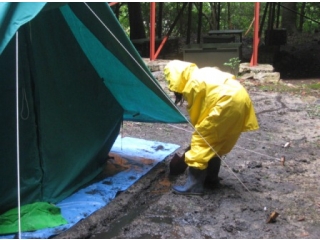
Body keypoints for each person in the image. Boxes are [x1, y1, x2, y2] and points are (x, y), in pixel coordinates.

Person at [164, 60, 259, 195]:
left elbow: (198, 112)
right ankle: (211, 179)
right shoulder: (203, 72)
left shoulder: (193, 83)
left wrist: (199, 131)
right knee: (216, 140)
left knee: (202, 140)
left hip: (226, 102)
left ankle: (194, 186)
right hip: (241, 99)